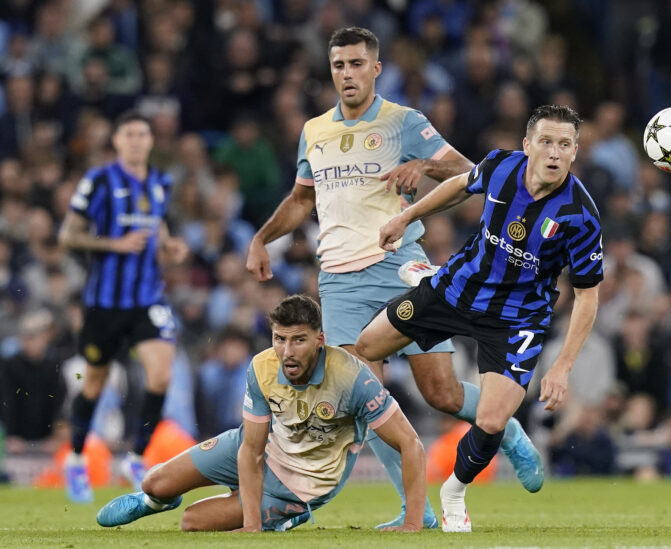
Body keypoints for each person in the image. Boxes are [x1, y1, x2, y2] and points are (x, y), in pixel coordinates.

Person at [246, 26, 543, 529]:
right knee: (365, 404)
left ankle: (507, 428)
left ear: (376, 68)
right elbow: (301, 200)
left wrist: (423, 166)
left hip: (399, 266)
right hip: (338, 281)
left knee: (441, 393)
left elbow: (472, 174)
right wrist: (261, 238)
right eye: (339, 65)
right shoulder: (314, 131)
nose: (347, 74)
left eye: (357, 64)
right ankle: (417, 511)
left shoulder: (404, 122)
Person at [355, 105, 604, 532]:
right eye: (546, 141)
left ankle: (454, 491)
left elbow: (587, 296)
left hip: (516, 320)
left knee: (490, 420)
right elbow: (458, 186)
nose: (554, 152)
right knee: (366, 348)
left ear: (575, 152)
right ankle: (427, 277)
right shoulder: (501, 167)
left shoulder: (580, 216)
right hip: (454, 290)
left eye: (565, 144)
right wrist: (406, 215)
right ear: (527, 145)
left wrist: (562, 366)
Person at [96, 295, 426, 532]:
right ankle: (158, 501)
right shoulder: (261, 366)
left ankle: (289, 515)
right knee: (154, 482)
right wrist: (251, 525)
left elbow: (410, 443)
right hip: (264, 449)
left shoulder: (352, 378)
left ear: (320, 341)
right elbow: (251, 449)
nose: (286, 351)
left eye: (299, 340)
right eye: (279, 339)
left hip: (303, 482)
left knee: (193, 522)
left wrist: (412, 522)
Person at [58, 110, 188, 503]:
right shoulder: (99, 180)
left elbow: (159, 227)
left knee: (161, 375)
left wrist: (169, 246)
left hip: (147, 298)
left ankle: (136, 456)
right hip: (105, 302)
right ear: (116, 141)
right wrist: (112, 244)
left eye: (142, 134)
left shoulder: (160, 182)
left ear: (151, 141)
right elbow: (68, 235)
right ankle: (77, 459)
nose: (136, 140)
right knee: (94, 381)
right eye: (128, 133)